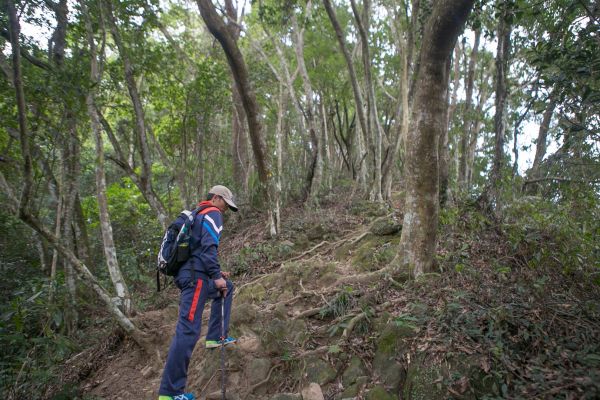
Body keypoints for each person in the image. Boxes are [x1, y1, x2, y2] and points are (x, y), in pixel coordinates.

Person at [158, 185, 238, 400]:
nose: (226, 211)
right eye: (225, 205)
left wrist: (216, 273)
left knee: (227, 288)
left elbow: (197, 250)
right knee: (187, 331)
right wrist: (215, 275)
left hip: (194, 275)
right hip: (196, 280)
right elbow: (209, 247)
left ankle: (215, 337)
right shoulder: (212, 213)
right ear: (217, 198)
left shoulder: (197, 214)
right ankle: (170, 393)